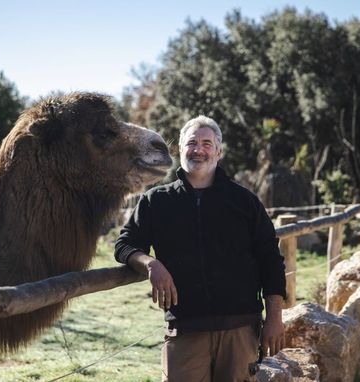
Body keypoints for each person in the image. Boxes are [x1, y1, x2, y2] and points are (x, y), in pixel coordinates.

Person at [115, 115, 286, 382]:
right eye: (191, 143)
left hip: (240, 329)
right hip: (185, 330)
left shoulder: (244, 202)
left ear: (218, 151)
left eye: (207, 143)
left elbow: (270, 259)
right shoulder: (156, 202)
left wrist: (274, 317)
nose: (198, 149)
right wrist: (150, 264)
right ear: (180, 149)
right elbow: (125, 244)